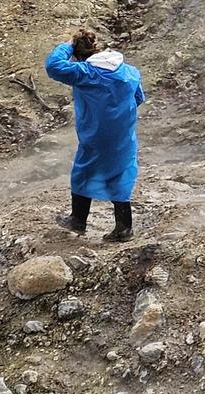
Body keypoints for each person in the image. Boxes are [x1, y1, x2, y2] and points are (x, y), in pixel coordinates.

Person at [45, 29, 144, 241]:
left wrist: (67, 45)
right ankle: (124, 228)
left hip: (96, 135)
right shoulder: (129, 72)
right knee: (121, 174)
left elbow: (53, 66)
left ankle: (78, 220)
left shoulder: (85, 73)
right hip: (123, 135)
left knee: (84, 171)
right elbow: (139, 98)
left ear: (78, 56)